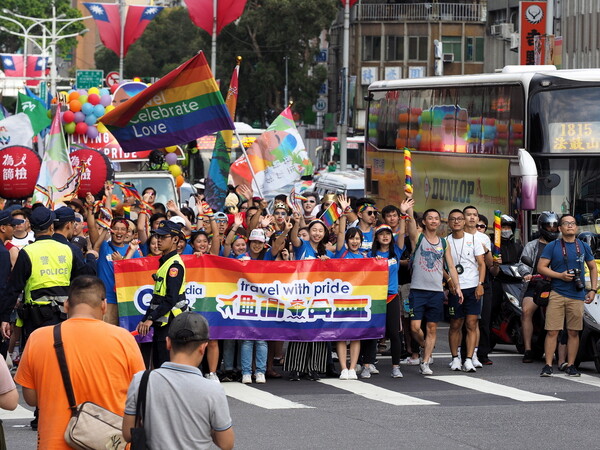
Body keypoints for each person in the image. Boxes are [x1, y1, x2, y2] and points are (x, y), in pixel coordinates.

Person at [14, 275, 145, 448]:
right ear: (104, 306)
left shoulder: (38, 338)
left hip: (54, 442)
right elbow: (140, 395)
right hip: (109, 444)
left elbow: (31, 399)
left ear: (67, 304)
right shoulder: (123, 339)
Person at [123, 312, 234, 450]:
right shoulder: (213, 390)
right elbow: (226, 443)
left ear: (168, 342)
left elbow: (128, 434)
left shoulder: (141, 380)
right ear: (203, 347)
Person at [406, 203, 462, 376]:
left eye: (436, 218)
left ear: (440, 222)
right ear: (423, 221)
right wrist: (407, 210)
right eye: (430, 218)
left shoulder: (444, 243)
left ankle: (425, 361)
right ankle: (424, 345)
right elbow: (410, 229)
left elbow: (451, 267)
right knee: (415, 327)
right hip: (417, 290)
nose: (433, 221)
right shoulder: (419, 238)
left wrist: (457, 287)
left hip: (436, 292)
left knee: (432, 328)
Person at [538, 214, 597, 377]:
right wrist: (560, 276)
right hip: (557, 292)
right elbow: (541, 267)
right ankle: (548, 365)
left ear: (576, 227)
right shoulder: (553, 246)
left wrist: (593, 289)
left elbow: (592, 267)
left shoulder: (583, 246)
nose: (570, 226)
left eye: (572, 223)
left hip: (577, 294)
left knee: (573, 331)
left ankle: (571, 365)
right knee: (552, 331)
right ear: (560, 228)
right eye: (566, 223)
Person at [137, 220, 188, 369]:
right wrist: (145, 318)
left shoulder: (174, 265)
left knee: (164, 366)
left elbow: (170, 299)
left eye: (163, 237)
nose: (158, 241)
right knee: (159, 363)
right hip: (162, 323)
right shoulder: (165, 262)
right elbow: (157, 298)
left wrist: (150, 319)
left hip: (171, 324)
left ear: (175, 240)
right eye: (157, 237)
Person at [446, 209, 486, 373]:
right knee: (456, 323)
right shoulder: (445, 241)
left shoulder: (473, 239)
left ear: (464, 222)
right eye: (453, 219)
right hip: (456, 288)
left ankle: (469, 358)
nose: (456, 222)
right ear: (448, 222)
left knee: (471, 323)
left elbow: (482, 264)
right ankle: (455, 358)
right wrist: (449, 280)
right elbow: (441, 265)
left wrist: (480, 284)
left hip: (472, 286)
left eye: (459, 219)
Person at [517, 211, 559, 363]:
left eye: (555, 226)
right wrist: (527, 274)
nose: (552, 229)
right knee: (527, 311)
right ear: (541, 227)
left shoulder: (561, 245)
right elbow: (522, 264)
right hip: (536, 285)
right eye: (549, 226)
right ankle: (528, 349)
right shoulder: (532, 245)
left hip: (556, 285)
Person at [463, 205, 494, 366]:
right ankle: (462, 355)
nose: (473, 218)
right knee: (464, 322)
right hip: (463, 282)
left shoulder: (484, 238)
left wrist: (486, 251)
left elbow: (489, 265)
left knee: (482, 320)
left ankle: (479, 354)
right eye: (469, 215)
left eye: (475, 215)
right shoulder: (457, 236)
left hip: (482, 283)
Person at [53, 206, 97, 275]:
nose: (74, 227)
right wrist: (91, 256)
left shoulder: (41, 246)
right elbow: (87, 275)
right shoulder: (72, 250)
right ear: (69, 225)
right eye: (74, 223)